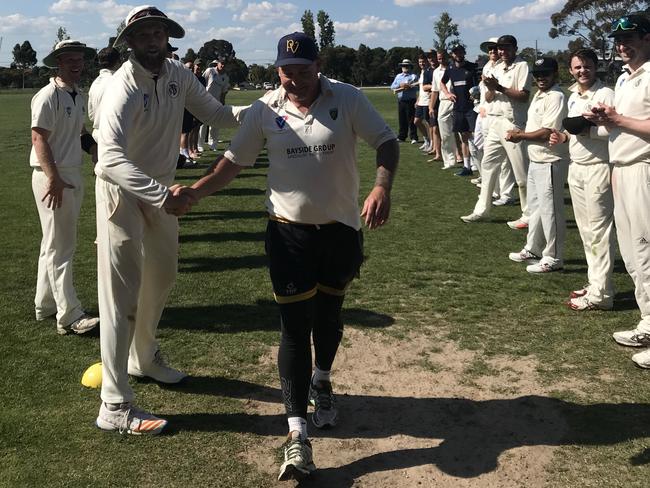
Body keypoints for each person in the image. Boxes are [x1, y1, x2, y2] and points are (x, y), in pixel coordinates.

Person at [174, 31, 398, 481]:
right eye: (286, 71)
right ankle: (297, 435)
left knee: (330, 318)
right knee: (294, 330)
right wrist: (195, 193)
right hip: (287, 234)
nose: (293, 79)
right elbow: (233, 164)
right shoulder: (264, 109)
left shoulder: (348, 99)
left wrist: (381, 186)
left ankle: (322, 381)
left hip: (340, 232)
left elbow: (387, 142)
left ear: (318, 66)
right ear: (277, 70)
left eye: (301, 70)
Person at [93, 5, 247, 435]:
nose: (152, 40)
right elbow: (109, 158)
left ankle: (143, 357)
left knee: (163, 276)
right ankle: (115, 404)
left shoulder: (179, 74)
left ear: (168, 37)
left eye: (158, 33)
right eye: (143, 35)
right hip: (122, 193)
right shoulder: (120, 86)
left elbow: (216, 114)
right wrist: (163, 196)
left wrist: (265, 110)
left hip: (161, 193)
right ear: (130, 43)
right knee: (119, 296)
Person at [584, 13, 650, 367]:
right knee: (634, 253)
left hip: (645, 170)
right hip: (622, 169)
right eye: (618, 39)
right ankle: (647, 321)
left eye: (630, 37)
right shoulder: (625, 79)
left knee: (647, 248)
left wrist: (616, 119)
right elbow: (622, 129)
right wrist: (605, 119)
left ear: (647, 37)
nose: (622, 44)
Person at [30, 40, 100, 336]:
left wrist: (97, 149)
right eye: (69, 59)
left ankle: (44, 305)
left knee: (52, 243)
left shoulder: (77, 95)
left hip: (69, 172)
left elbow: (80, 134)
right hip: (54, 176)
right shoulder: (48, 96)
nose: (76, 64)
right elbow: (38, 139)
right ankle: (69, 315)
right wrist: (54, 177)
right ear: (57, 62)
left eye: (79, 59)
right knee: (63, 245)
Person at [549, 48, 615, 309]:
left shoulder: (605, 93)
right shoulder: (573, 95)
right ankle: (595, 282)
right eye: (577, 67)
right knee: (587, 231)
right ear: (571, 69)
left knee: (599, 231)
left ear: (595, 67)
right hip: (577, 167)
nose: (582, 71)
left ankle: (603, 294)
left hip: (599, 168)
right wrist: (565, 137)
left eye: (587, 66)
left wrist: (588, 130)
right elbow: (576, 132)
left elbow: (614, 129)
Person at [461, 35, 531, 228]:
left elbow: (524, 96)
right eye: (500, 49)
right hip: (495, 122)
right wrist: (490, 87)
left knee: (521, 173)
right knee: (488, 165)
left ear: (515, 48)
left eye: (507, 48)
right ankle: (481, 210)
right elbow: (490, 98)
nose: (502, 52)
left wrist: (498, 86)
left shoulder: (522, 66)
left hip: (513, 123)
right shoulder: (497, 67)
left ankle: (528, 214)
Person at [506, 57, 568, 273]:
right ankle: (533, 249)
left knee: (551, 211)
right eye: (538, 74)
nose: (541, 78)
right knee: (535, 209)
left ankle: (554, 257)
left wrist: (520, 136)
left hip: (550, 159)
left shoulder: (557, 96)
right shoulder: (540, 95)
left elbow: (547, 132)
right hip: (536, 159)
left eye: (546, 73)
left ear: (555, 74)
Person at [439, 45, 478, 176]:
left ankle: (477, 165)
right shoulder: (450, 68)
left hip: (472, 107)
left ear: (464, 53)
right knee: (464, 137)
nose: (458, 54)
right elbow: (442, 83)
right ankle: (467, 167)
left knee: (476, 137)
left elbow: (480, 83)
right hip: (458, 108)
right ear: (452, 54)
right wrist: (447, 94)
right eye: (455, 52)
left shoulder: (472, 67)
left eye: (460, 51)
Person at [88, 47, 122, 141]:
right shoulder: (119, 82)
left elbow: (91, 115)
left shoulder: (94, 84)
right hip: (113, 135)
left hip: (98, 134)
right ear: (119, 61)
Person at [430, 50, 456, 169]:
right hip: (444, 102)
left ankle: (466, 159)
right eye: (439, 58)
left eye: (443, 58)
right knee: (445, 134)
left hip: (458, 102)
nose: (441, 60)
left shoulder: (455, 67)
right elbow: (435, 91)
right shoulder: (436, 72)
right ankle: (449, 161)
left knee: (462, 133)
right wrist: (431, 106)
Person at [201, 57, 230, 150]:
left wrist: (222, 103)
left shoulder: (225, 77)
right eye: (221, 63)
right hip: (205, 101)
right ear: (217, 63)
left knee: (215, 125)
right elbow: (202, 83)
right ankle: (200, 145)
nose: (222, 65)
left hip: (216, 103)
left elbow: (224, 92)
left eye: (224, 64)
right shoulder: (210, 71)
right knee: (203, 124)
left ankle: (213, 144)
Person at [390, 58, 418, 143]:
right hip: (401, 100)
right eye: (403, 66)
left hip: (411, 101)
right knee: (402, 119)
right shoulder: (398, 76)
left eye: (406, 66)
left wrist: (409, 86)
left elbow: (418, 87)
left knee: (411, 120)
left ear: (410, 66)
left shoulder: (414, 76)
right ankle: (402, 137)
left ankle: (414, 137)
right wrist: (400, 84)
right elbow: (392, 87)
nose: (404, 67)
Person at [414, 53, 433, 152]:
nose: (422, 63)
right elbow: (421, 88)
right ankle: (427, 140)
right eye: (420, 62)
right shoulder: (421, 72)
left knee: (430, 124)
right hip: (421, 101)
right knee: (416, 121)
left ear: (427, 62)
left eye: (423, 61)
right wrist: (418, 100)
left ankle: (432, 144)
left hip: (428, 102)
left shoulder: (430, 72)